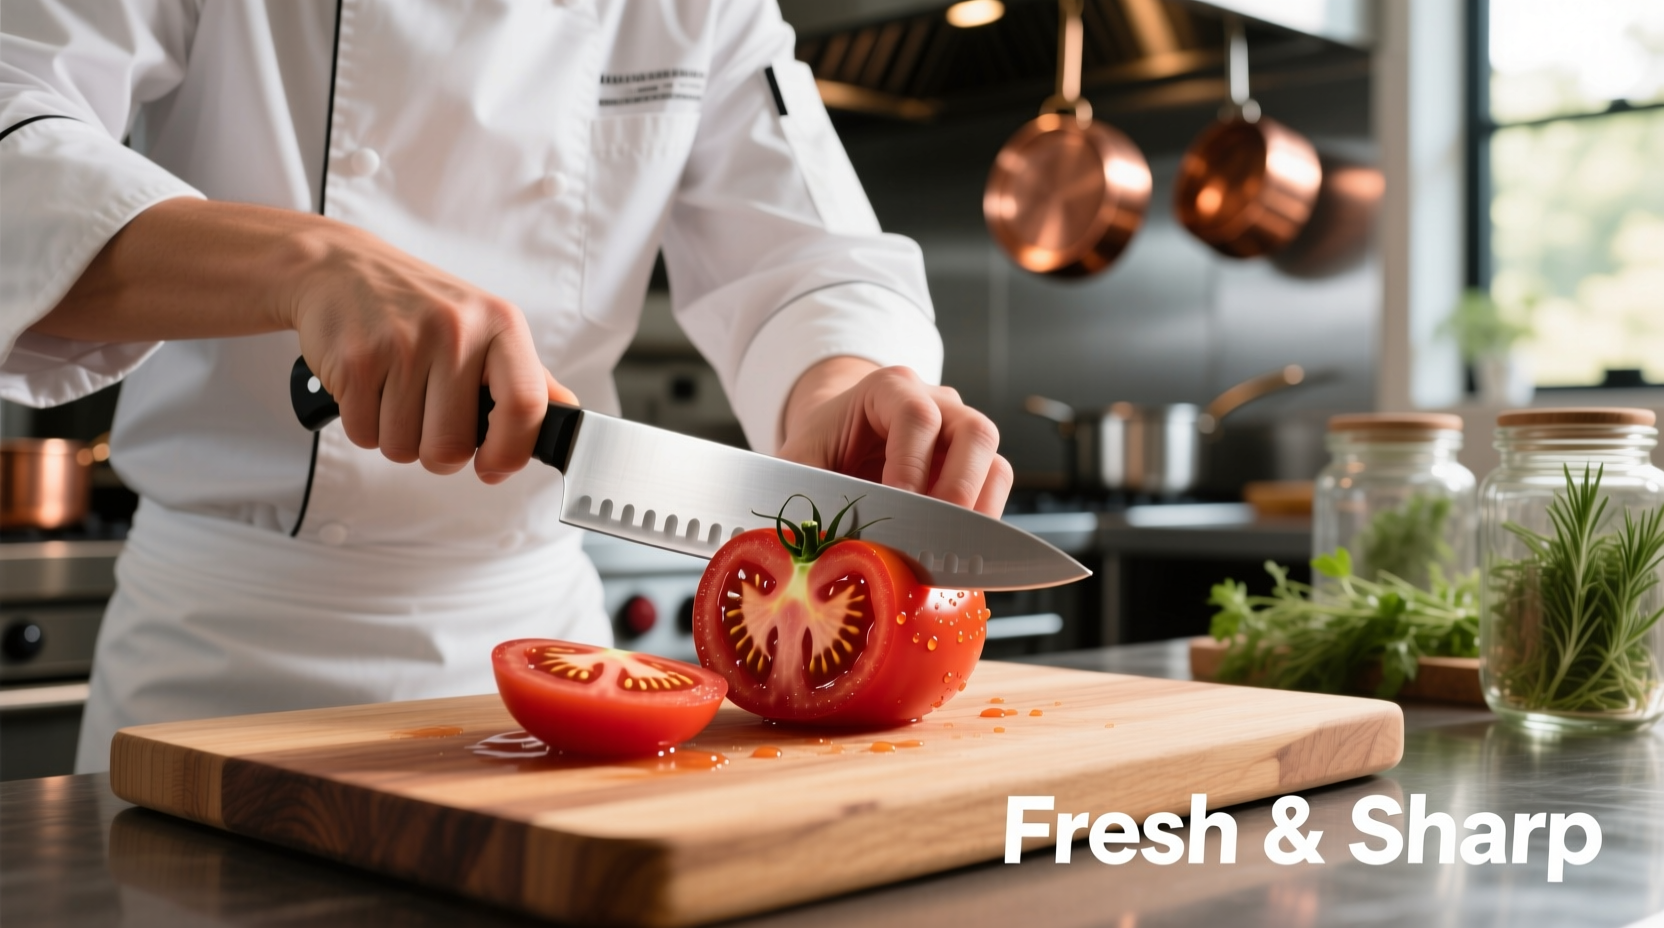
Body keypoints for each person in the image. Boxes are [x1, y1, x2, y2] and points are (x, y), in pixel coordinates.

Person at [0, 1, 1012, 773]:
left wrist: (840, 381)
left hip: (549, 666)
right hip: (223, 661)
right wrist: (303, 261)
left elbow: (811, 258)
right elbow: (17, 141)